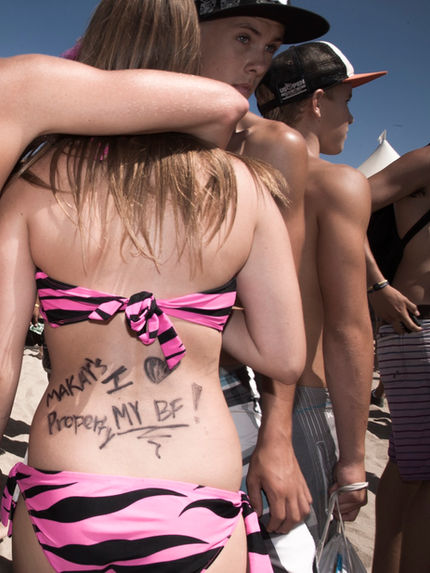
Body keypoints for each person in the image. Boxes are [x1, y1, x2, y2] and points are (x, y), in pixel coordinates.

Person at [0, 1, 306, 572]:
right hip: (196, 494)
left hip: (65, 485)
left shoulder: (32, 187)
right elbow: (283, 354)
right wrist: (198, 316)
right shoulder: (246, 189)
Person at [255, 40, 385, 556]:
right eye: (345, 101)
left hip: (225, 393)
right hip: (302, 400)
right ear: (315, 101)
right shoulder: (337, 185)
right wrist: (353, 460)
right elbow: (349, 329)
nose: (351, 117)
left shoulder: (231, 169)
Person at [364, 145, 430, 573]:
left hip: (414, 332)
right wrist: (377, 285)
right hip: (418, 326)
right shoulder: (426, 162)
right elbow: (342, 206)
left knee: (407, 468)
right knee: (418, 475)